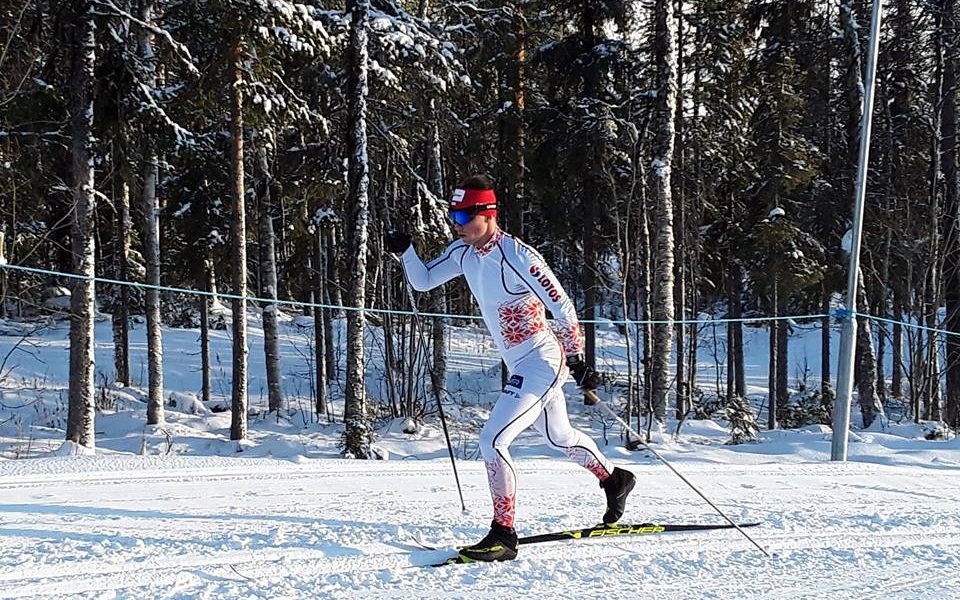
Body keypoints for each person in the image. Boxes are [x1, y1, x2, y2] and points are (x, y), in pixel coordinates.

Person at [385, 174, 635, 563]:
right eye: (454, 214)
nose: (458, 223)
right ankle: (615, 479)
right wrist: (406, 251)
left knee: (492, 441)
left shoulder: (518, 256)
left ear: (487, 213)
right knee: (559, 438)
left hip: (542, 359)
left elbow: (563, 307)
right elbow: (424, 282)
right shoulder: (463, 253)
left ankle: (503, 534)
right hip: (519, 360)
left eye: (465, 215)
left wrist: (577, 358)